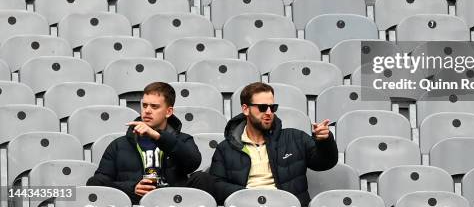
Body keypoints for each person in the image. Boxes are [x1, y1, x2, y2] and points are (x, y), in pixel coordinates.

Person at [210, 82, 338, 206]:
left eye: (272, 107)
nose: (269, 112)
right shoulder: (225, 148)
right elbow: (216, 186)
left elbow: (325, 163)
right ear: (245, 109)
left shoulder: (295, 138)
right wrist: (248, 195)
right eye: (262, 107)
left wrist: (325, 141)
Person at [86, 82, 217, 204]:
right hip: (136, 202)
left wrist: (159, 137)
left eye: (154, 106)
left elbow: (192, 163)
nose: (147, 110)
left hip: (174, 203)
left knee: (203, 178)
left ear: (168, 112)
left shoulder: (183, 140)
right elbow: (96, 184)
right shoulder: (119, 145)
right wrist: (132, 188)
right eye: (144, 105)